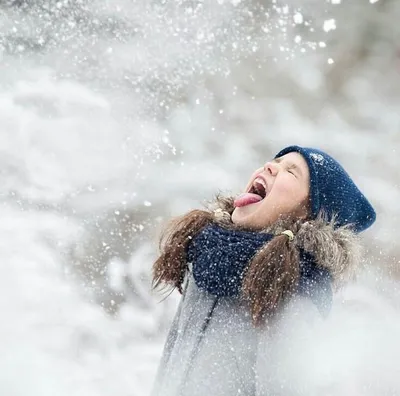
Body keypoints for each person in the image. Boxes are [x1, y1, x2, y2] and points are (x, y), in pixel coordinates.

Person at [150, 145, 376, 396]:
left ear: (309, 216)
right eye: (275, 162)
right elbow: (169, 367)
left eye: (291, 172)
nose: (270, 166)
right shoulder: (208, 257)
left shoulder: (293, 290)